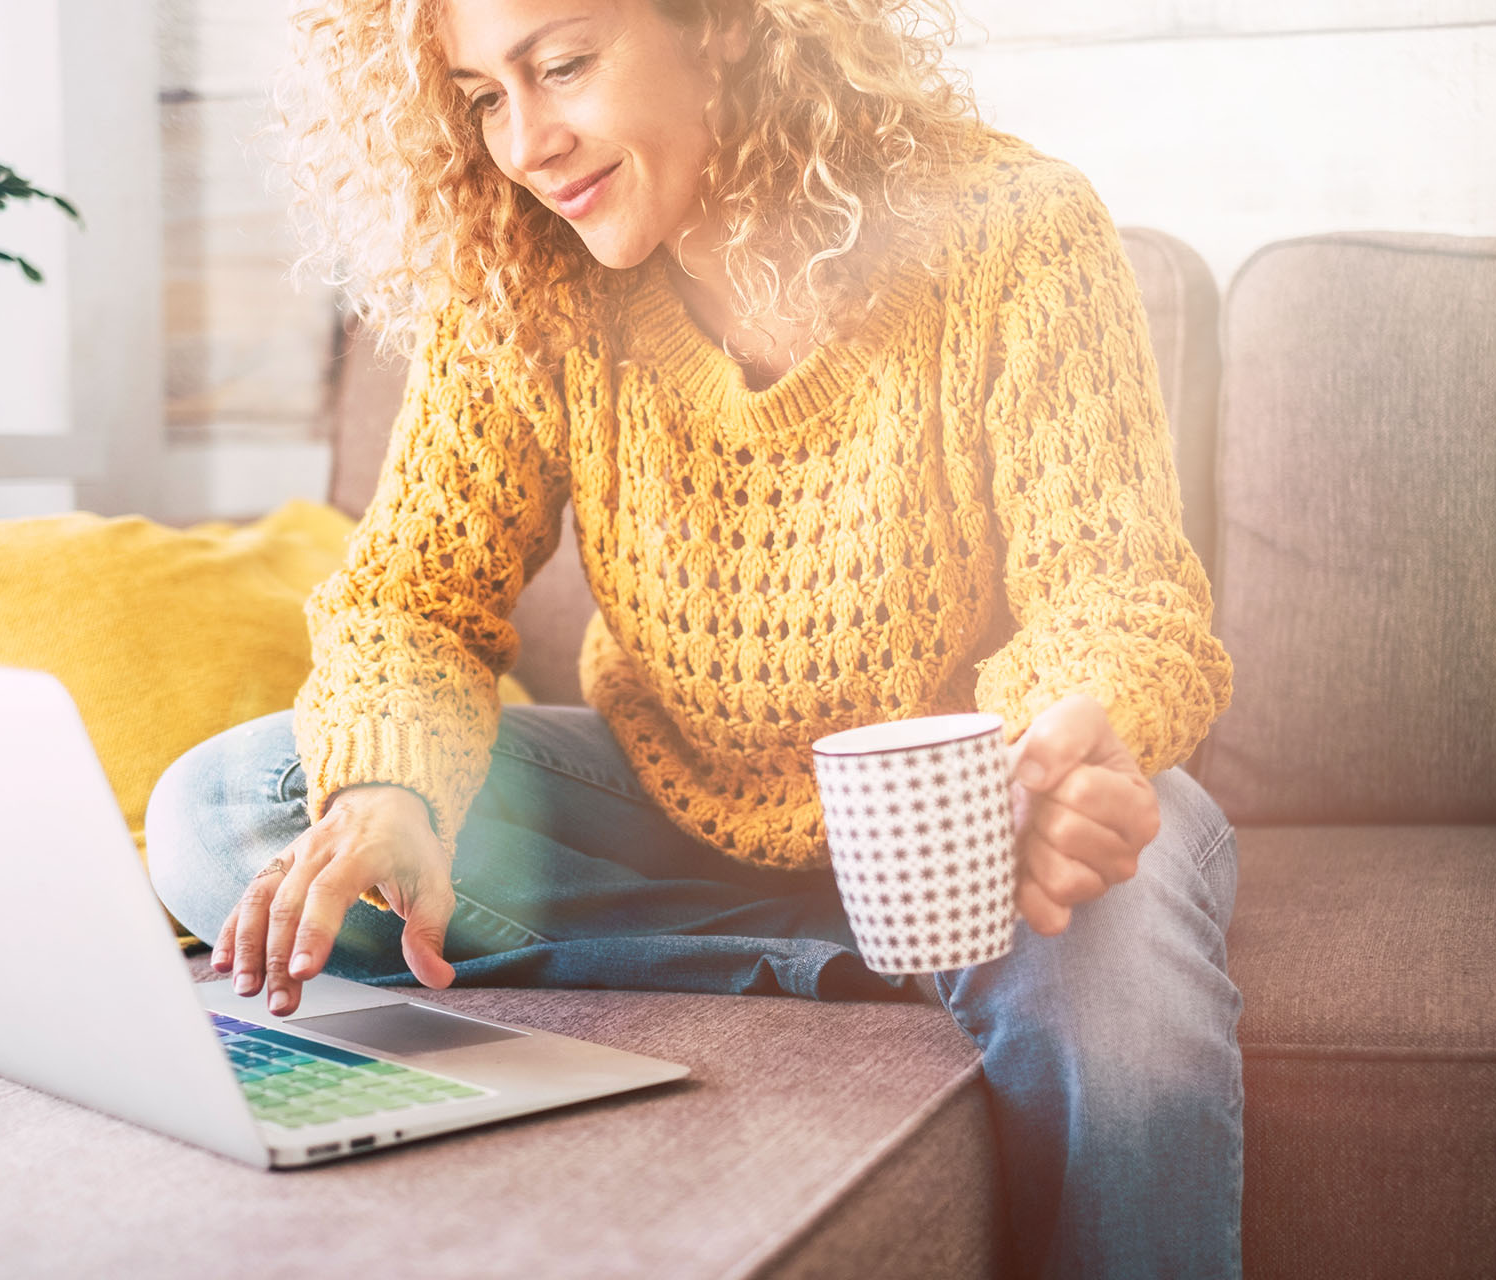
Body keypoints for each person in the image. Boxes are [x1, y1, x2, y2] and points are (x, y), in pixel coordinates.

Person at [145, 0, 1242, 1275]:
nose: (526, 145)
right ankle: (869, 961)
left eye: (563, 65)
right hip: (681, 808)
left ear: (722, 24)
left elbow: (1118, 597)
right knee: (224, 810)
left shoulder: (1016, 226)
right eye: (484, 97)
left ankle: (910, 939)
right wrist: (390, 791)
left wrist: (1051, 759)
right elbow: (410, 598)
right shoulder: (526, 274)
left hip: (975, 822)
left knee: (1114, 922)